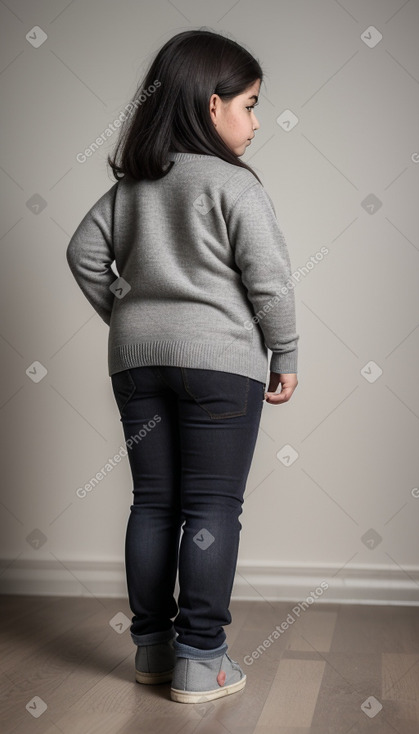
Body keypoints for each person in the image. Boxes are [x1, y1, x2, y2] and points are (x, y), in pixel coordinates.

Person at [66, 28, 299, 705]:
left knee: (153, 504)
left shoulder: (134, 187)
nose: (255, 122)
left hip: (137, 364)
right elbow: (270, 283)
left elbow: (85, 253)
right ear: (210, 105)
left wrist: (135, 320)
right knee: (211, 506)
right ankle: (202, 660)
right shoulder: (234, 187)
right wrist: (284, 352)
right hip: (222, 367)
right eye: (250, 105)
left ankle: (152, 651)